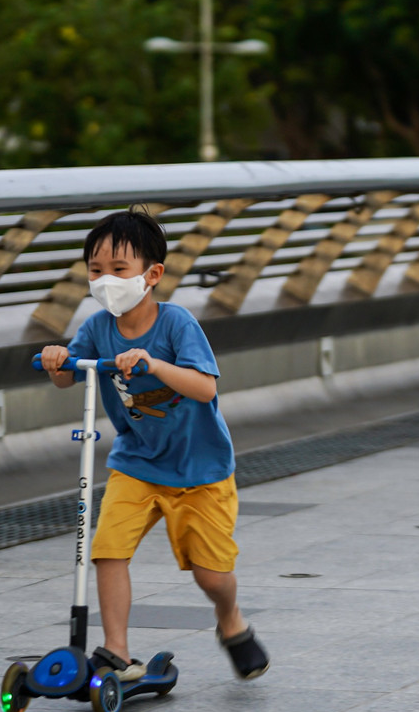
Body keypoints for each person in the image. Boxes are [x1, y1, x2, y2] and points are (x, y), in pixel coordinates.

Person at [40, 209, 270, 680]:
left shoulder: (176, 324)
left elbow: (205, 388)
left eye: (118, 270)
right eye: (95, 270)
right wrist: (57, 360)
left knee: (211, 575)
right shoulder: (97, 328)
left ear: (152, 274)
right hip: (136, 462)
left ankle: (231, 620)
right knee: (108, 549)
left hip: (199, 470)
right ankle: (117, 650)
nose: (106, 281)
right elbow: (70, 376)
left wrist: (153, 364)